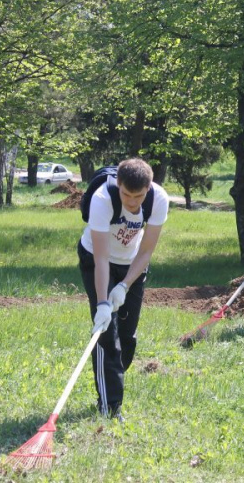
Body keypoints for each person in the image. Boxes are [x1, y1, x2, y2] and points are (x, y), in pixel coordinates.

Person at [77, 158, 169, 421]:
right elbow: (101, 258)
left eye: (138, 196)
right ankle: (109, 407)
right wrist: (104, 302)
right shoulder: (102, 199)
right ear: (118, 185)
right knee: (107, 334)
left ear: (148, 188)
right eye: (126, 194)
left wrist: (125, 285)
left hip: (133, 266)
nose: (131, 202)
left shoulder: (158, 200)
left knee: (127, 338)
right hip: (96, 260)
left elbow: (147, 251)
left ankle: (113, 375)